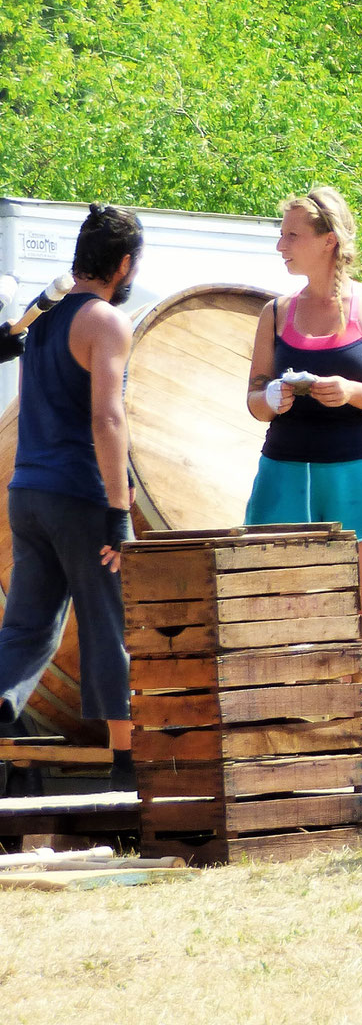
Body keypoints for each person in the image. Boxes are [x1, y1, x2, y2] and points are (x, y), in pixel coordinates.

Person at [244, 188, 362, 783]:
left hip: (356, 473)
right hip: (284, 474)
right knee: (280, 614)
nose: (281, 245)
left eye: (292, 235)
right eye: (282, 233)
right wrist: (271, 397)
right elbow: (253, 398)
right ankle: (287, 742)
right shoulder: (275, 312)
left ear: (329, 241)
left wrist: (351, 393)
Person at [0, 206, 143, 791]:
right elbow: (107, 419)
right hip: (79, 496)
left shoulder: (50, 314)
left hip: (27, 492)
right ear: (125, 263)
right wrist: (118, 511)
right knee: (108, 624)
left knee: (29, 630)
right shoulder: (105, 321)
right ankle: (126, 766)